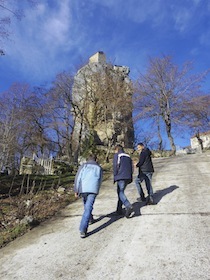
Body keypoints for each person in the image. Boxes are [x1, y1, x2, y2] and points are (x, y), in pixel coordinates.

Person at [74, 153, 103, 238]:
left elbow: (78, 177)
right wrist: (97, 189)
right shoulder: (99, 167)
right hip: (93, 189)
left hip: (83, 188)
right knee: (88, 207)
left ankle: (87, 222)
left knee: (87, 206)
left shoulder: (83, 166)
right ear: (95, 159)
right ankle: (83, 229)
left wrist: (76, 189)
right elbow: (100, 180)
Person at [113, 145, 134, 218]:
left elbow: (115, 166)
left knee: (120, 192)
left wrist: (115, 176)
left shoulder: (117, 155)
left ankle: (128, 206)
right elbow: (132, 167)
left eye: (114, 150)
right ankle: (119, 210)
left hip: (120, 176)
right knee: (121, 192)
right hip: (128, 176)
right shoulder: (128, 156)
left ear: (117, 149)